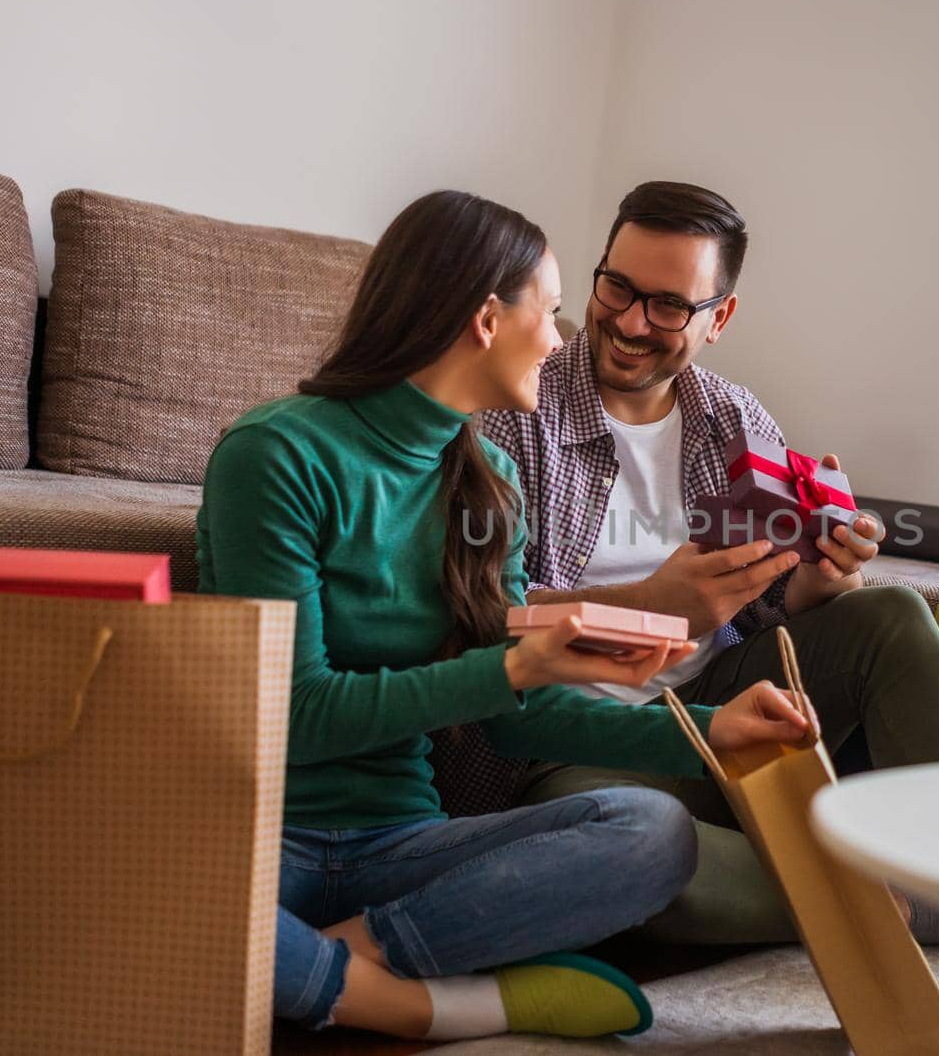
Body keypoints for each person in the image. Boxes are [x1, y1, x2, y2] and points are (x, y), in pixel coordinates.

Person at [481, 181, 939, 1055]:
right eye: (617, 288)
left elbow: (764, 615)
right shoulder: (517, 405)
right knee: (613, 841)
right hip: (578, 740)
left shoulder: (731, 420)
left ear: (720, 315)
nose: (632, 321)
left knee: (890, 613)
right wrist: (648, 605)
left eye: (670, 304)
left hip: (721, 706)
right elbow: (483, 620)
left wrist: (821, 583)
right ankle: (931, 899)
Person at [197, 189, 816, 1043]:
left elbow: (514, 717)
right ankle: (424, 1003)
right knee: (137, 881)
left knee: (652, 831)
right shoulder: (277, 455)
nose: (564, 338)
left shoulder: (489, 479)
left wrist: (710, 730)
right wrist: (516, 664)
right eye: (551, 310)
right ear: (488, 319)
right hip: (266, 834)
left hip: (400, 849)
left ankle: (334, 960)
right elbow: (296, 714)